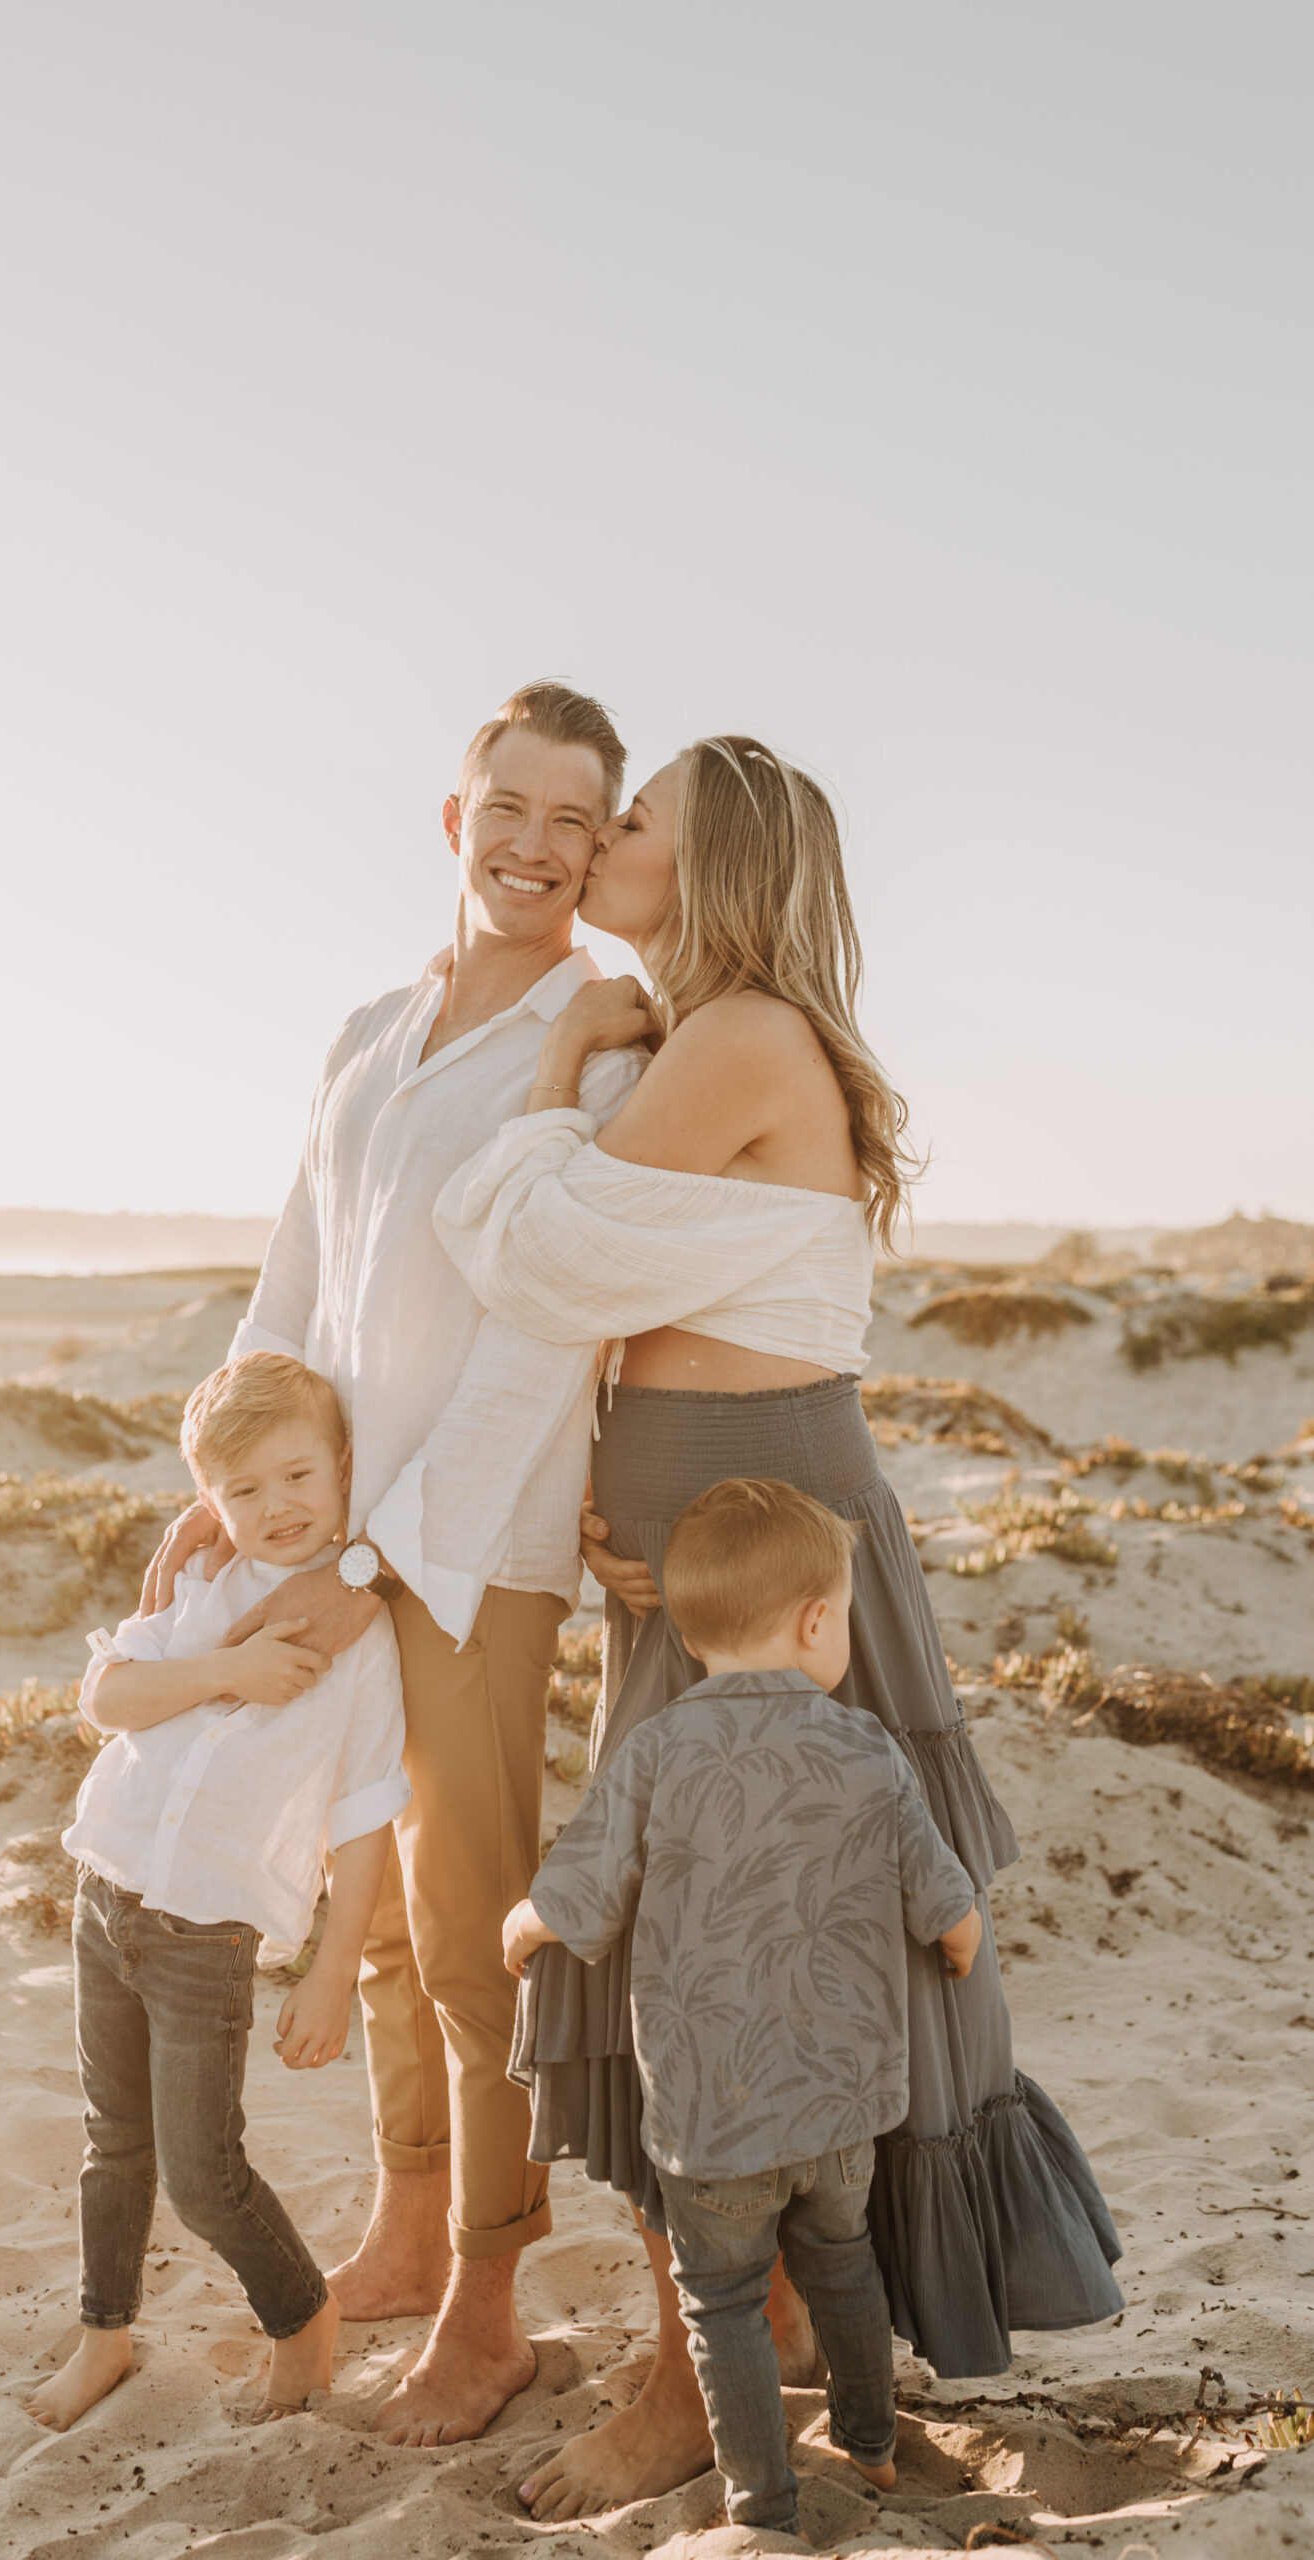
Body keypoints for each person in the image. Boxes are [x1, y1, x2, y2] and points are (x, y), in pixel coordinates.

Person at [435, 734, 1125, 2520]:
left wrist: (565, 1059)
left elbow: (528, 1251)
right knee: (751, 1949)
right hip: (723, 1539)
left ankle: (687, 2391)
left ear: (716, 862)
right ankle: (778, 2339)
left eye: (634, 818)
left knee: (719, 1964)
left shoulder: (729, 1036)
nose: (601, 839)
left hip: (756, 1550)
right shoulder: (716, 1038)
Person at [137, 684, 647, 2445]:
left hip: (468, 1544)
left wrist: (374, 1557)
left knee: (462, 1929)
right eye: (506, 805)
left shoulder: (605, 1032)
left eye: (573, 819)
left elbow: (541, 1331)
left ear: (603, 842)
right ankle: (411, 2225)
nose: (533, 844)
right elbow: (300, 1266)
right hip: (324, 1532)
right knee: (364, 1914)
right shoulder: (368, 1026)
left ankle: (494, 2296)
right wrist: (227, 1474)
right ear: (453, 819)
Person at [504, 1476, 983, 2539]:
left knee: (718, 2305)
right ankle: (868, 2438)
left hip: (712, 2116)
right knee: (843, 2263)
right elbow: (946, 1901)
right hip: (845, 2101)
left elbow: (579, 1889)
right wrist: (958, 1949)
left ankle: (758, 2500)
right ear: (818, 1620)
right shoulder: (867, 1748)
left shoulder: (659, 1749)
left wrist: (524, 1924)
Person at [27, 1352, 410, 2433]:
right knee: (113, 2139)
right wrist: (224, 1671)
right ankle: (106, 2332)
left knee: (203, 2175)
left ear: (341, 1467)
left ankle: (303, 2319)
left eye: (296, 1477)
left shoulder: (358, 1631)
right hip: (107, 1894)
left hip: (209, 1934)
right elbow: (107, 1691)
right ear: (210, 1500)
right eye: (242, 1490)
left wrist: (335, 1969)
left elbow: (366, 1813)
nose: (275, 1507)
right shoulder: (202, 1588)